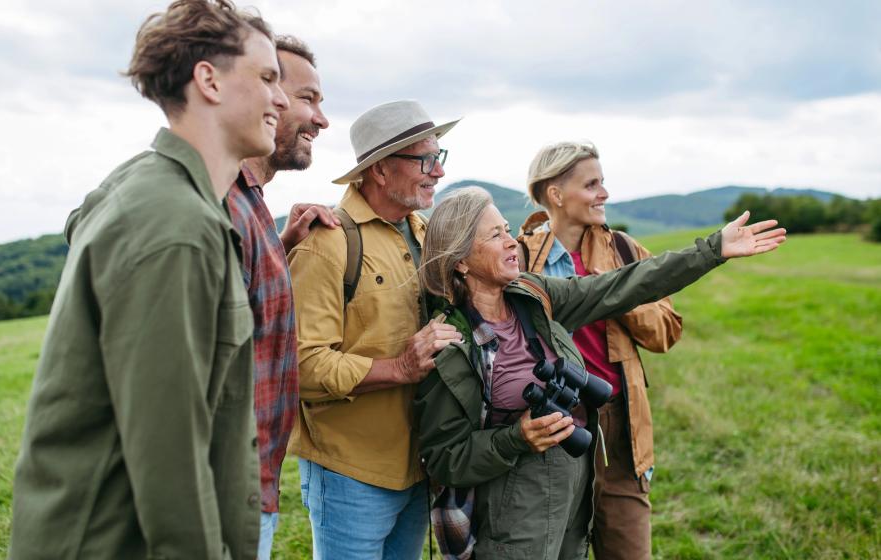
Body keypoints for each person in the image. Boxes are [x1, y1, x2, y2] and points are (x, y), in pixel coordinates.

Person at [9, 1, 286, 558]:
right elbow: (171, 456)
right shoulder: (174, 225)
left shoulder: (173, 198)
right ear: (207, 80)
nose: (279, 98)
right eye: (266, 77)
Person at [415, 187, 785, 559]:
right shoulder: (450, 344)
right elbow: (445, 460)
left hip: (575, 502)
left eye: (508, 229)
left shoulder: (533, 295)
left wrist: (712, 250)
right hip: (510, 521)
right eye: (495, 236)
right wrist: (517, 438)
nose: (512, 242)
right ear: (460, 260)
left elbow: (623, 284)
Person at [287, 100, 464, 559]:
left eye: (438, 158)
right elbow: (302, 367)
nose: (437, 173)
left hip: (420, 463)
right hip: (351, 473)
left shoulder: (426, 233)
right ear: (381, 170)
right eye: (425, 160)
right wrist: (400, 367)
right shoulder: (326, 244)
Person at [519, 140, 678, 558]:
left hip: (618, 422)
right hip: (551, 422)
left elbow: (667, 333)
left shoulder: (624, 252)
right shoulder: (518, 258)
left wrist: (617, 290)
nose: (603, 194)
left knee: (628, 548)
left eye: (602, 183)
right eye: (592, 185)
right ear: (556, 195)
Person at [225, 34, 332, 560]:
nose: (321, 119)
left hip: (255, 484)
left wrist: (280, 246)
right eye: (308, 98)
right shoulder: (221, 201)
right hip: (224, 498)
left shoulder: (255, 204)